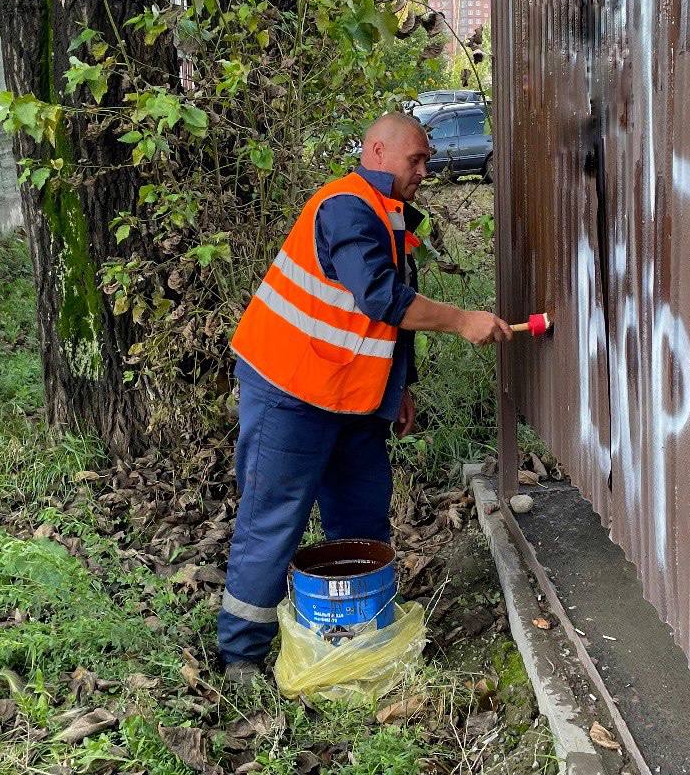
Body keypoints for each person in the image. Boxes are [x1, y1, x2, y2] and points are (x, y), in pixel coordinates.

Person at [219, 111, 511, 682]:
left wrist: (400, 390)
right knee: (274, 518)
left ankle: (359, 635)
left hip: (349, 399)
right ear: (376, 152)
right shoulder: (347, 206)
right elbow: (381, 298)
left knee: (361, 519)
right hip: (289, 391)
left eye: (427, 160)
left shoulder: (391, 215)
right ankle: (241, 653)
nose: (426, 170)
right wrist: (461, 320)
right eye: (417, 159)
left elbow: (382, 319)